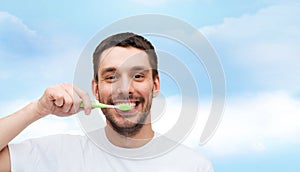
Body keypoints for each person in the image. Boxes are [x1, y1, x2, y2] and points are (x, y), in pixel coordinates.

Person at [0, 32, 214, 171]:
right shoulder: (58, 153)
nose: (124, 90)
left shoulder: (193, 166)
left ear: (155, 85)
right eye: (111, 77)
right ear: (96, 88)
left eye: (138, 76)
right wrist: (37, 109)